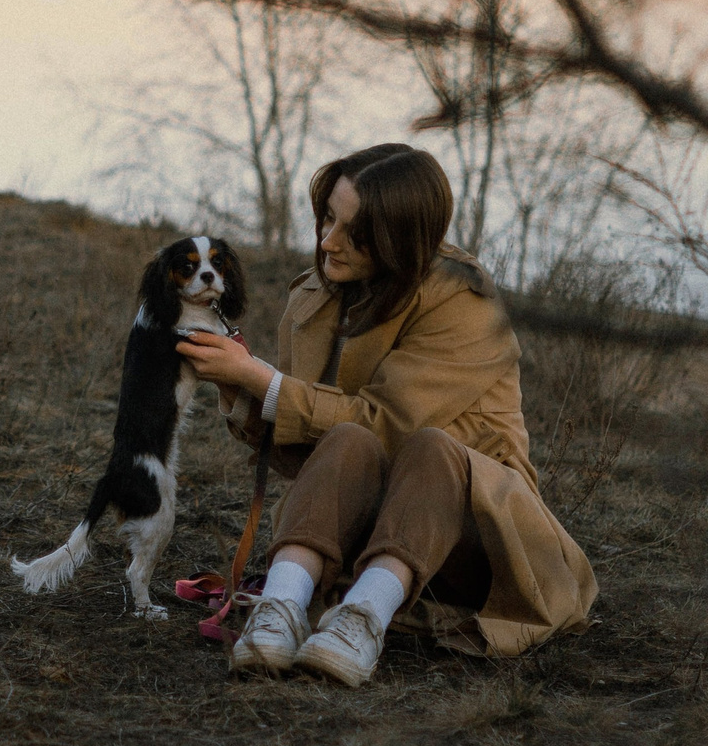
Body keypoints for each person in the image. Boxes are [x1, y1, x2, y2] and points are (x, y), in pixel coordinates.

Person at [176, 144, 597, 683]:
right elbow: (322, 448)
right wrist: (231, 378)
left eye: (355, 232)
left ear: (400, 238)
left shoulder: (464, 301)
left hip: (478, 544)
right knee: (348, 440)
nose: (328, 241)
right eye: (328, 216)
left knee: (427, 446)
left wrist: (260, 379)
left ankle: (363, 622)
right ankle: (279, 609)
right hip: (367, 534)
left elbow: (389, 425)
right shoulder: (319, 292)